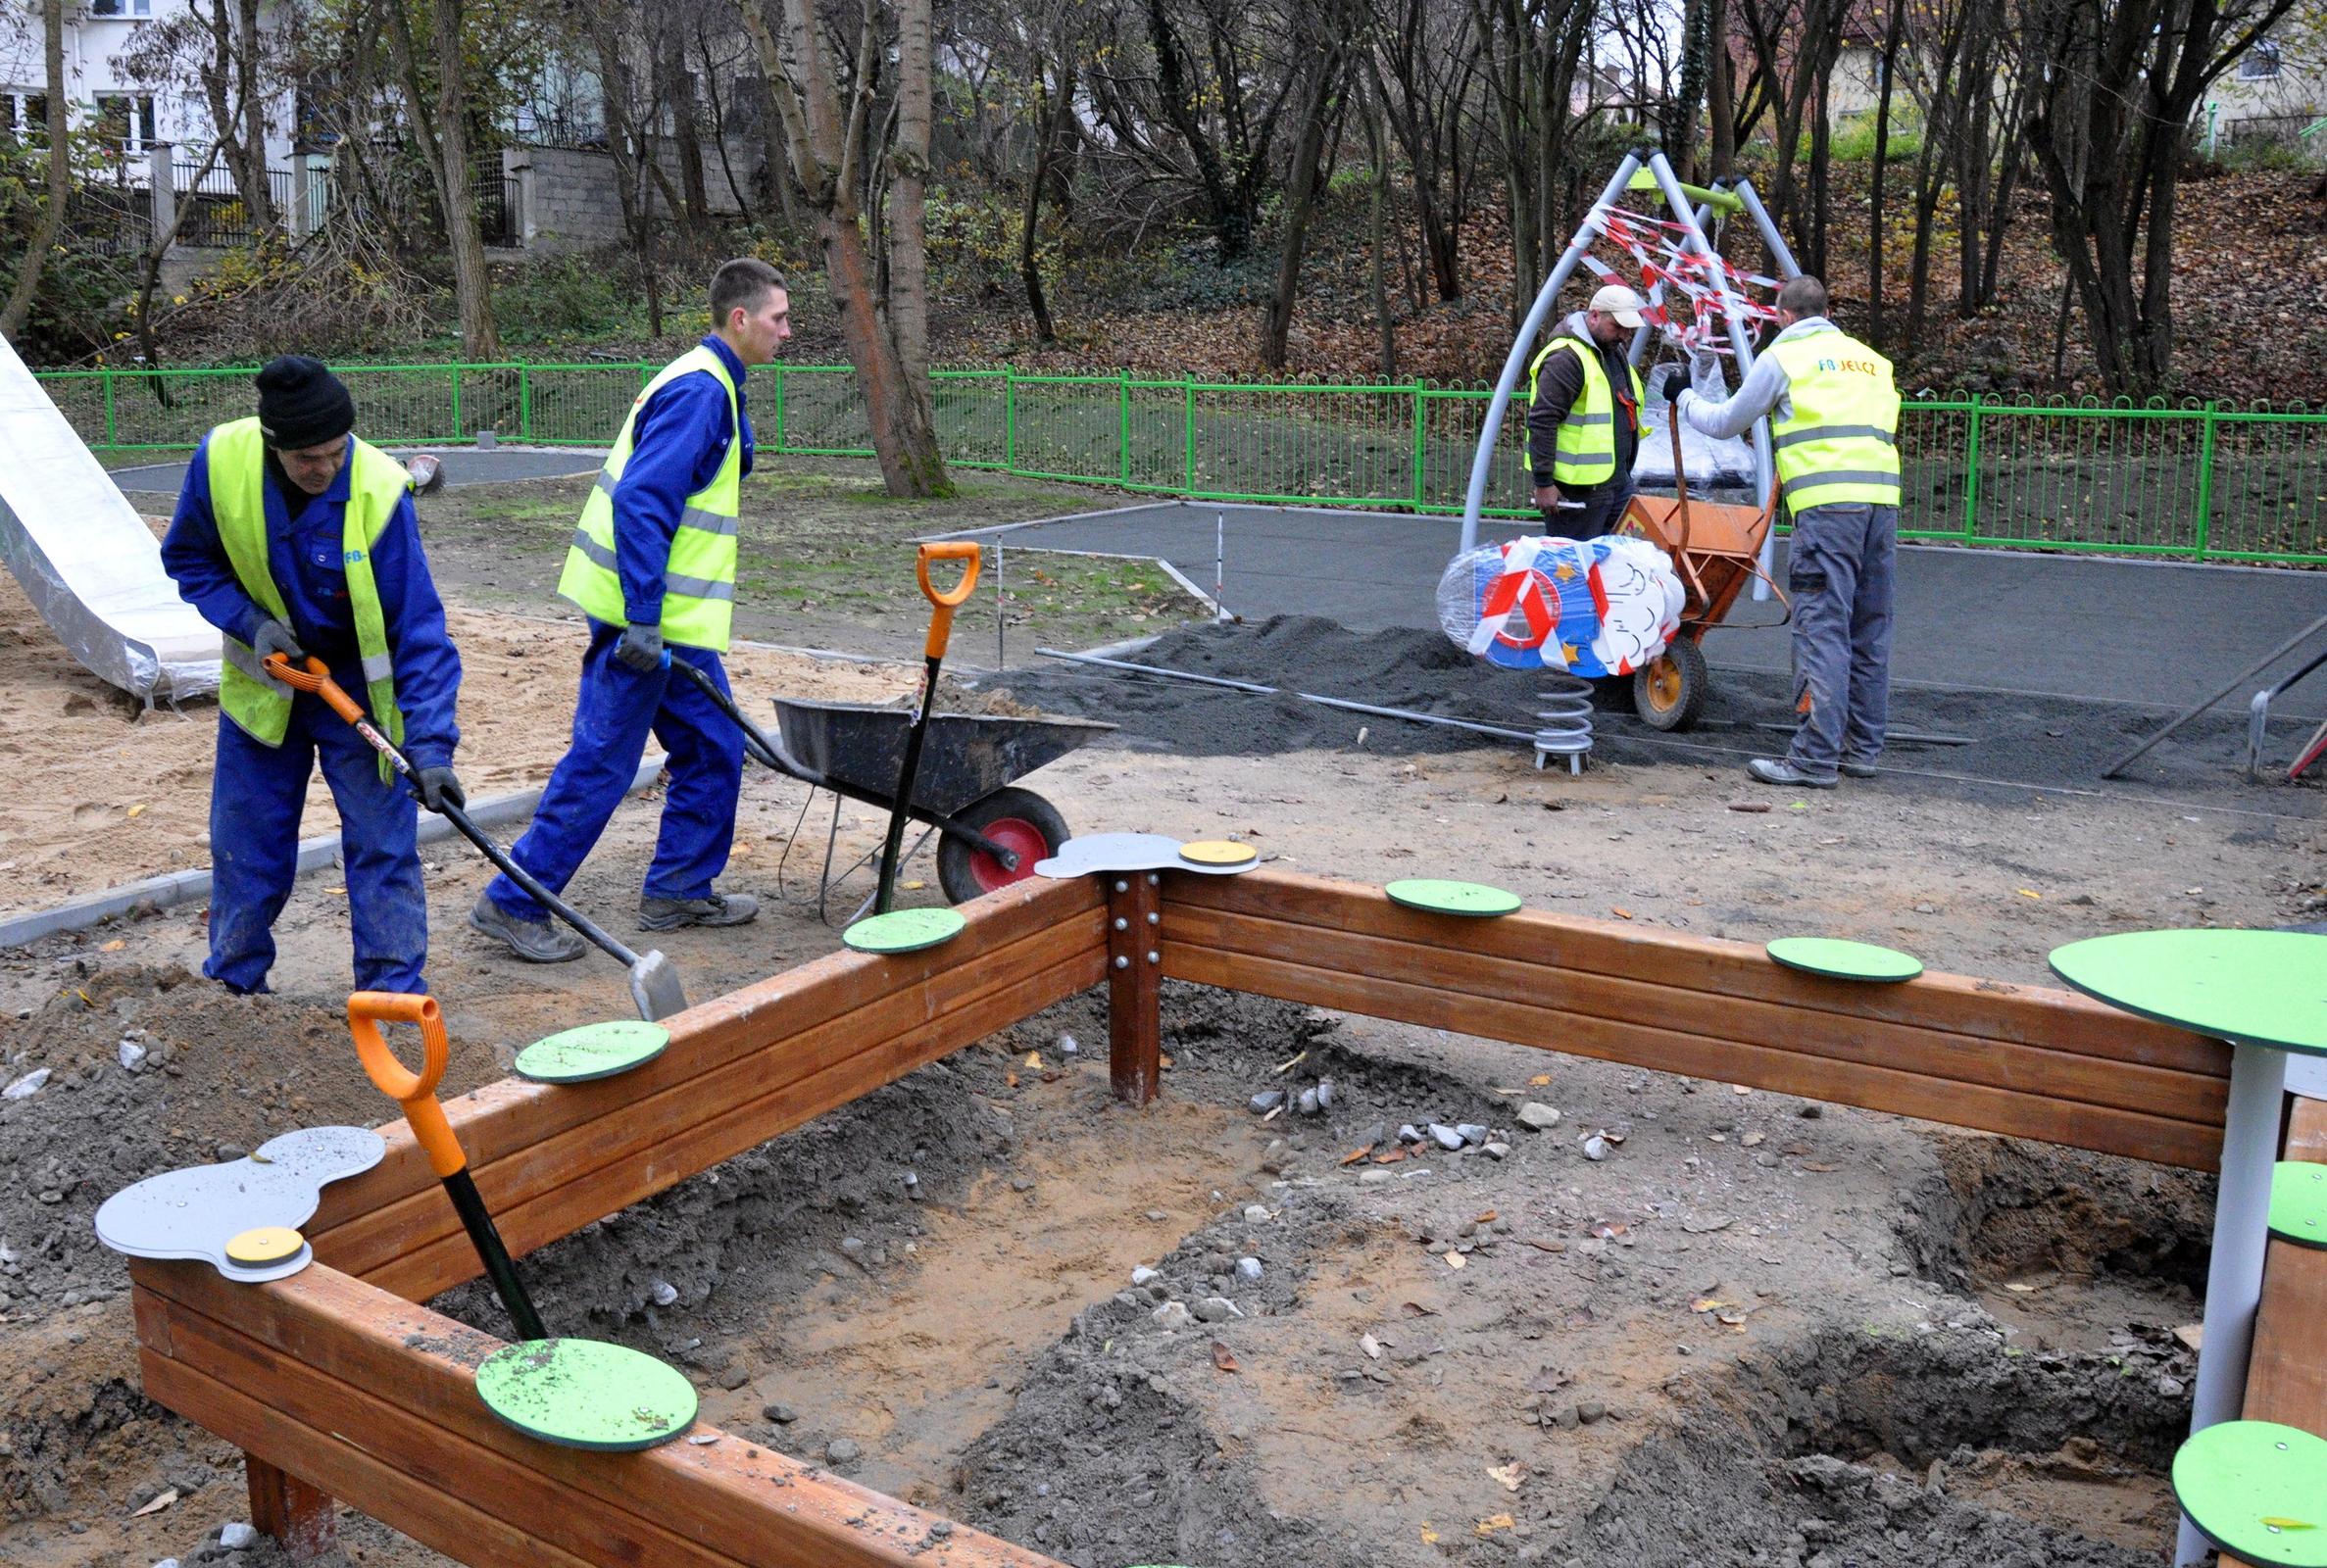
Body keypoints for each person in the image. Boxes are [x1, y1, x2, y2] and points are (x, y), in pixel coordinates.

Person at [470, 258, 792, 961]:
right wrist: (643, 617)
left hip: (669, 622)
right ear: (741, 320)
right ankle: (514, 902)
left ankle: (679, 887)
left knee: (713, 746)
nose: (786, 331)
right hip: (641, 621)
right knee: (604, 763)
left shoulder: (714, 385)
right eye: (778, 318)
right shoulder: (700, 393)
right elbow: (643, 501)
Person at [161, 357, 465, 994]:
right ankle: (234, 989)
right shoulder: (222, 462)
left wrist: (431, 750)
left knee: (383, 848)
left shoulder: (380, 493)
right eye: (308, 459)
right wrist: (248, 622)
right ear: (275, 446)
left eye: (335, 451)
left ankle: (393, 999)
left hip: (357, 697)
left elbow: (420, 630)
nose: (324, 467)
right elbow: (188, 556)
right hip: (266, 689)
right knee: (246, 846)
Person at [1664, 274, 1901, 788]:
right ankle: (1861, 749)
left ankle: (1814, 758)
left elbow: (1726, 421)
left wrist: (1682, 397)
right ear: (1826, 310)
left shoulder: (1785, 357)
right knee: (1870, 629)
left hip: (1826, 510)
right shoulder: (1872, 362)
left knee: (1822, 628)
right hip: (1881, 508)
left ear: (1782, 315)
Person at [1526, 283, 1648, 537]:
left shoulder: (1611, 351)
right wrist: (1544, 483)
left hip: (1614, 483)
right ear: (1594, 316)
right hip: (1577, 491)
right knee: (1571, 570)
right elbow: (1542, 422)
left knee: (1615, 568)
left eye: (1628, 329)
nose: (1624, 335)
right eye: (1618, 327)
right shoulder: (1567, 359)